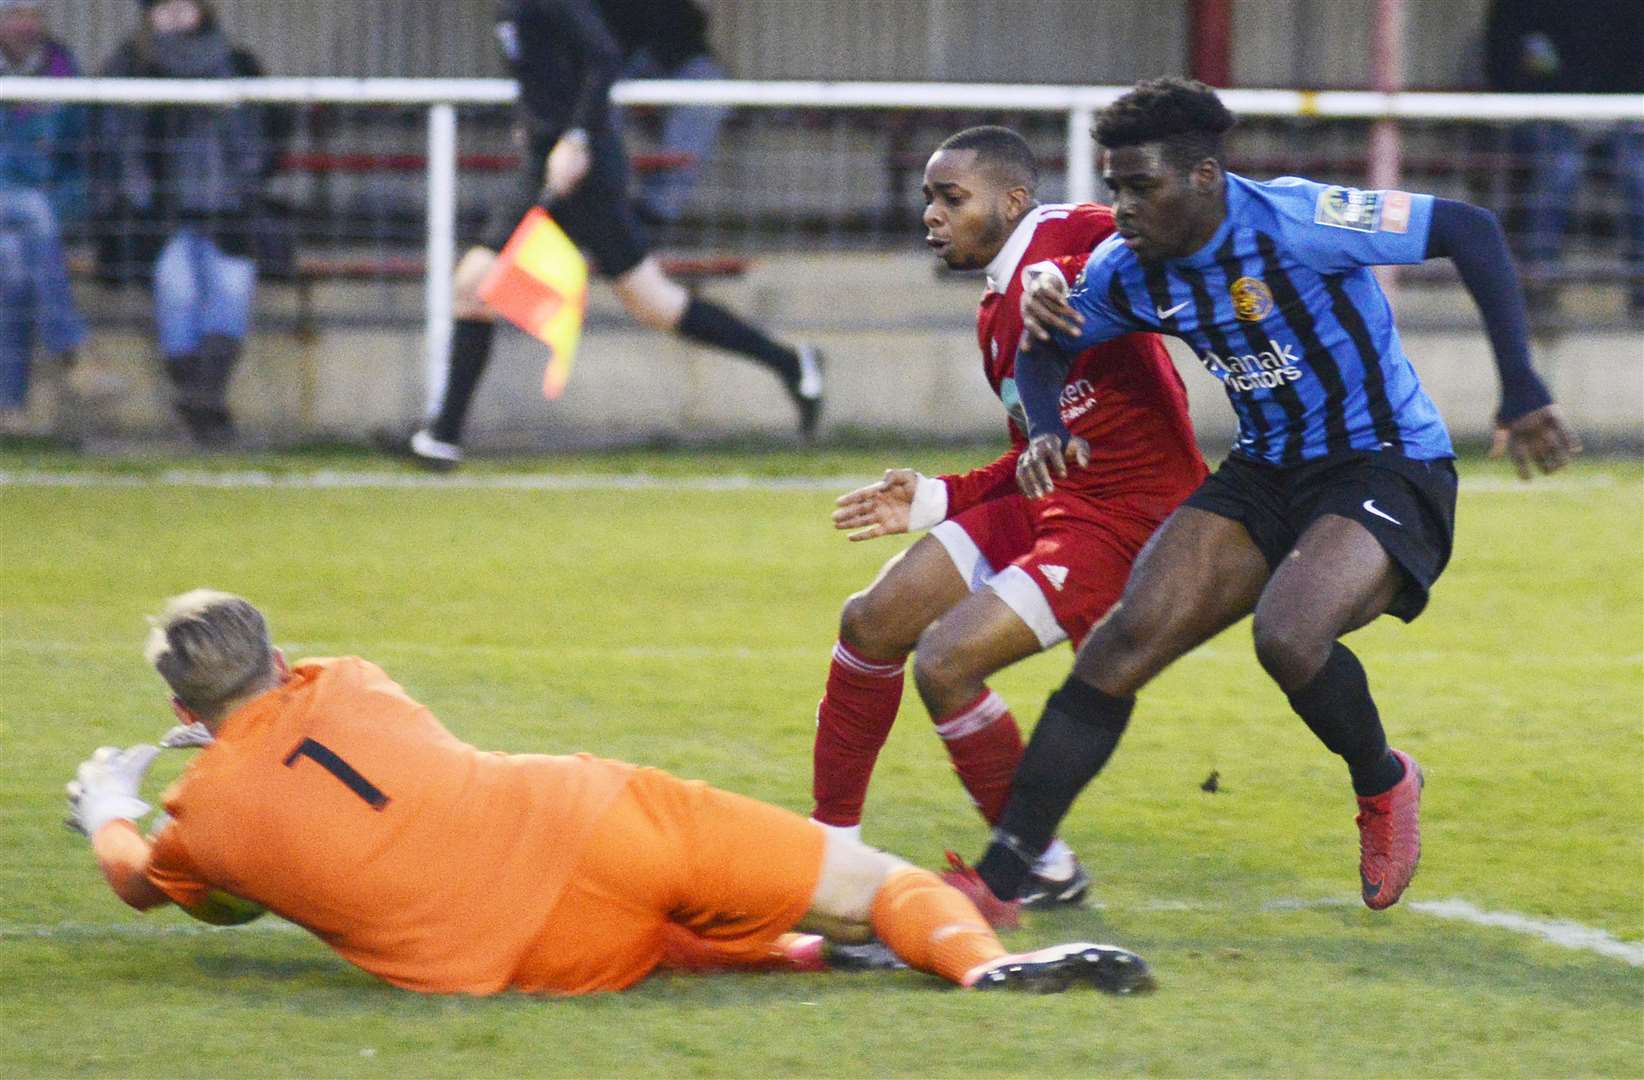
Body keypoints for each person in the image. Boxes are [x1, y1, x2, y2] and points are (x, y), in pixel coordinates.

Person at [953, 78, 1580, 915]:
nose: (1122, 207)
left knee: (1288, 633)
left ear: (1205, 176)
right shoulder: (1129, 267)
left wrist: (1522, 385)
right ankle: (1001, 881)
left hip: (1385, 461)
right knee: (1121, 645)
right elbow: (1047, 341)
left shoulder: (1298, 220)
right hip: (1266, 468)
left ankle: (1384, 783)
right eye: (1114, 187)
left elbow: (1470, 229)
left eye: (1142, 187)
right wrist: (1040, 428)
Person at [65, 589, 1156, 997]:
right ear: (280, 652)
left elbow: (181, 893)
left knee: (684, 942)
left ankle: (814, 953)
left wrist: (116, 806)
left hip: (527, 962)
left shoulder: (202, 824)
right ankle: (984, 967)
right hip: (595, 823)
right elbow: (293, 700)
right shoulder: (347, 680)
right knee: (875, 881)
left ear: (181, 712)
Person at [811, 126, 1207, 905]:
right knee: (872, 622)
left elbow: (1170, 245)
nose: (932, 215)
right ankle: (830, 850)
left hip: (1127, 521)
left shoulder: (1079, 231)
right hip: (1052, 498)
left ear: (1014, 199)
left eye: (951, 198)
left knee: (947, 662)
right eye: (929, 198)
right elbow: (1033, 455)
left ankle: (1032, 867)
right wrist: (935, 499)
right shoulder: (995, 317)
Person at [389, 0, 822, 470]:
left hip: (580, 171)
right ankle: (792, 364)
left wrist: (575, 138)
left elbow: (604, 56)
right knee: (649, 300)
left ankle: (443, 437)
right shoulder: (508, 10)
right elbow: (549, 78)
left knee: (479, 283)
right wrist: (533, 126)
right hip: (548, 163)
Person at [93, 0, 281, 447]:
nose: (175, 15)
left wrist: (240, 186)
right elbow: (117, 143)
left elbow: (261, 139)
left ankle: (200, 403)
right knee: (178, 293)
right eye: (163, 6)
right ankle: (208, 412)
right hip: (158, 216)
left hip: (229, 212)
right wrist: (139, 200)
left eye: (184, 4)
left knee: (230, 290)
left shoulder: (239, 64)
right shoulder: (128, 66)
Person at [1483, 0, 1644, 319]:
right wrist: (1561, 93)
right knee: (1560, 166)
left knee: (1638, 172)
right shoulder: (1519, 10)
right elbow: (1508, 60)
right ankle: (1539, 281)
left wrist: (1606, 105)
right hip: (1545, 114)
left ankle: (1641, 286)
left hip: (1618, 116)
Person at [0, 0, 90, 435]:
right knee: (33, 214)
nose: (25, 24)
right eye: (15, 14)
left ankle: (8, 406)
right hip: (20, 205)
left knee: (13, 265)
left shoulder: (62, 71)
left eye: (34, 14)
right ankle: (71, 348)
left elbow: (79, 161)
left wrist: (62, 201)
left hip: (37, 216)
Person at [595, 0, 729, 226]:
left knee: (710, 84)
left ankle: (657, 210)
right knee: (596, 102)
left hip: (671, 57)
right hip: (612, 62)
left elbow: (690, 23)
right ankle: (603, 208)